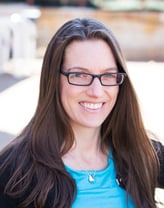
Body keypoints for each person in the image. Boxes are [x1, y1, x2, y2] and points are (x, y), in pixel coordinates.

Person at [0, 18, 164, 208]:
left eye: (108, 75)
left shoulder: (141, 153)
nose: (96, 91)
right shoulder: (14, 170)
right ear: (54, 80)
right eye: (79, 75)